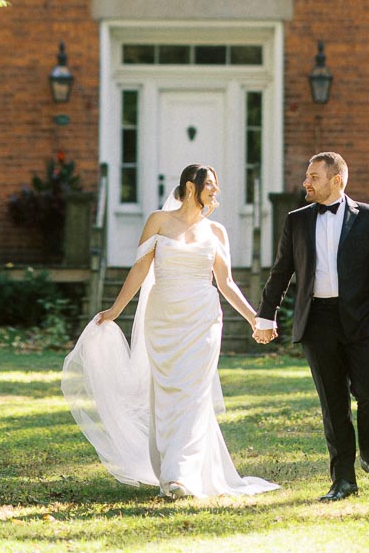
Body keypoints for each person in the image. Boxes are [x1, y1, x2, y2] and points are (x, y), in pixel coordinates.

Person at [62, 163, 278, 500]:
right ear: (191, 187)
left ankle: (180, 476)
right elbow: (139, 269)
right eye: (211, 185)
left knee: (193, 394)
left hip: (203, 321)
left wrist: (256, 319)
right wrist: (116, 311)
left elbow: (226, 283)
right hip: (163, 320)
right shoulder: (158, 222)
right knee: (166, 394)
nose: (215, 192)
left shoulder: (217, 232)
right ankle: (170, 468)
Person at [253, 151, 369, 502]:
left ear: (337, 180)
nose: (306, 182)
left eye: (313, 176)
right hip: (317, 321)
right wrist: (265, 315)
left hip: (362, 320)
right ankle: (343, 479)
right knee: (333, 404)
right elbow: (281, 271)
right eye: (307, 176)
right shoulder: (297, 220)